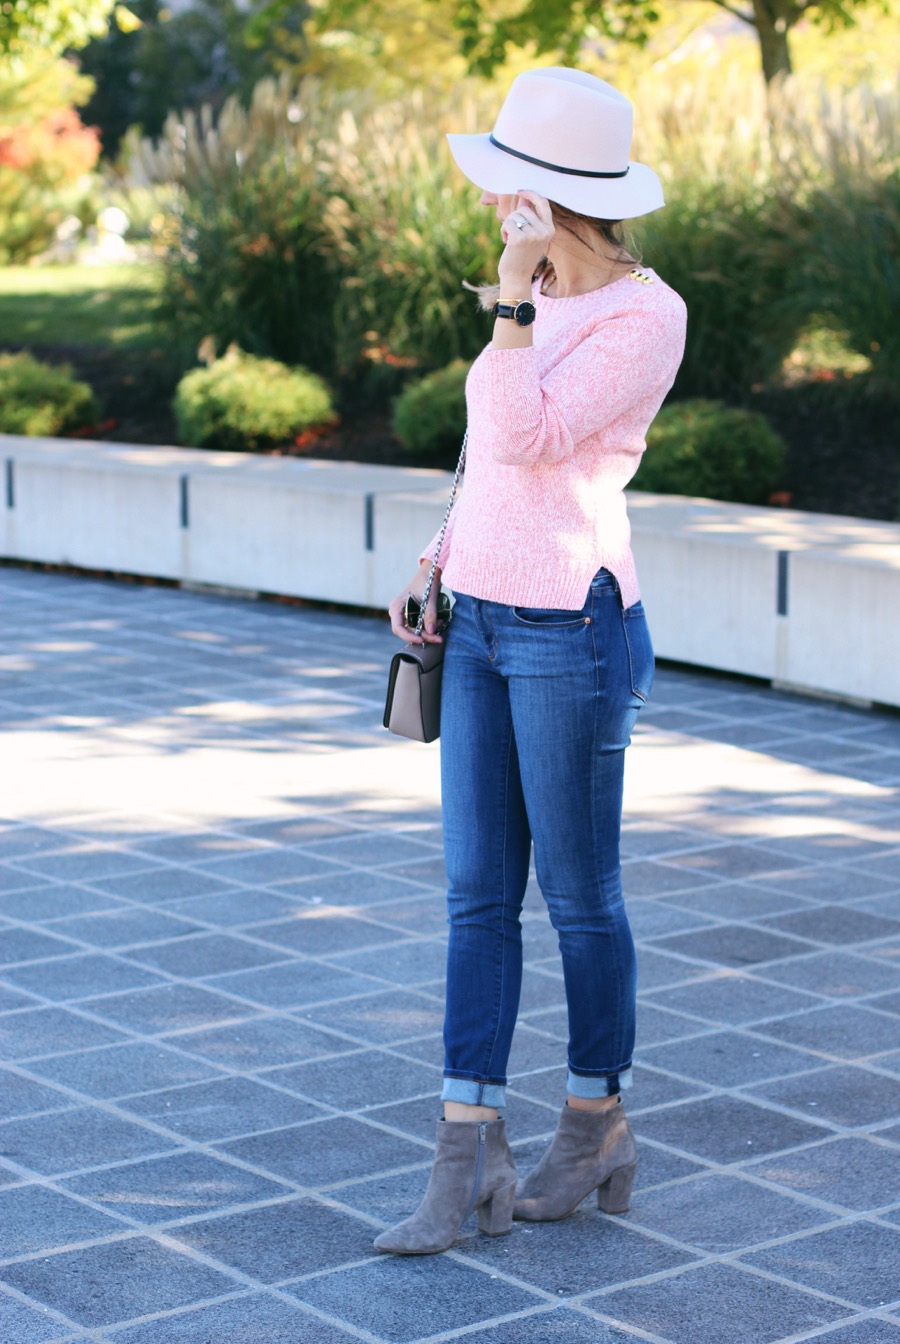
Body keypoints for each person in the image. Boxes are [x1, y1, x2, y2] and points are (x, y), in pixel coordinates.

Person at [377, 66, 686, 1256]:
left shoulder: (642, 317)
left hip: (572, 627)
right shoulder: (535, 294)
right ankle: (468, 1151)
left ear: (551, 195)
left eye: (505, 180)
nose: (489, 198)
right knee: (475, 898)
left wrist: (511, 303)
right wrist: (438, 557)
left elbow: (530, 433)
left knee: (580, 897)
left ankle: (596, 1120)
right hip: (480, 621)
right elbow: (486, 462)